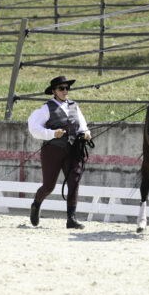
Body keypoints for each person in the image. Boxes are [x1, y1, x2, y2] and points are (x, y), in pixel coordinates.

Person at [27, 75, 92, 230]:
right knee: (49, 186)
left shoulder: (74, 106)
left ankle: (71, 218)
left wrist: (86, 133)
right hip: (52, 151)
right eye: (61, 88)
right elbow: (33, 128)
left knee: (74, 181)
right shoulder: (45, 109)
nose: (65, 91)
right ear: (54, 91)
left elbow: (83, 125)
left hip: (73, 150)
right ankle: (36, 204)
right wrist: (52, 134)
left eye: (67, 88)